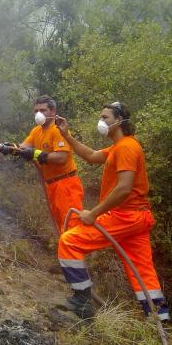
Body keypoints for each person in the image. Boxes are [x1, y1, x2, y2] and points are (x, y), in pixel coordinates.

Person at [55, 102, 170, 320]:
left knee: (69, 242)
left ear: (119, 121)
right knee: (143, 273)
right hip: (138, 217)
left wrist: (94, 213)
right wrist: (66, 135)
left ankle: (82, 301)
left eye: (105, 117)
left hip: (126, 215)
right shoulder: (121, 146)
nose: (101, 121)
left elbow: (124, 188)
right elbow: (90, 156)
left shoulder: (126, 147)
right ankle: (159, 321)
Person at [0, 95, 84, 233]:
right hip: (51, 185)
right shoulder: (36, 131)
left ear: (53, 111)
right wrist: (9, 148)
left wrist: (37, 154)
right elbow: (23, 147)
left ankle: (73, 253)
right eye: (36, 111)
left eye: (43, 110)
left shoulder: (58, 130)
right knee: (61, 227)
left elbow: (62, 157)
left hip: (66, 184)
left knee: (71, 228)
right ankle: (65, 254)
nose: (39, 114)